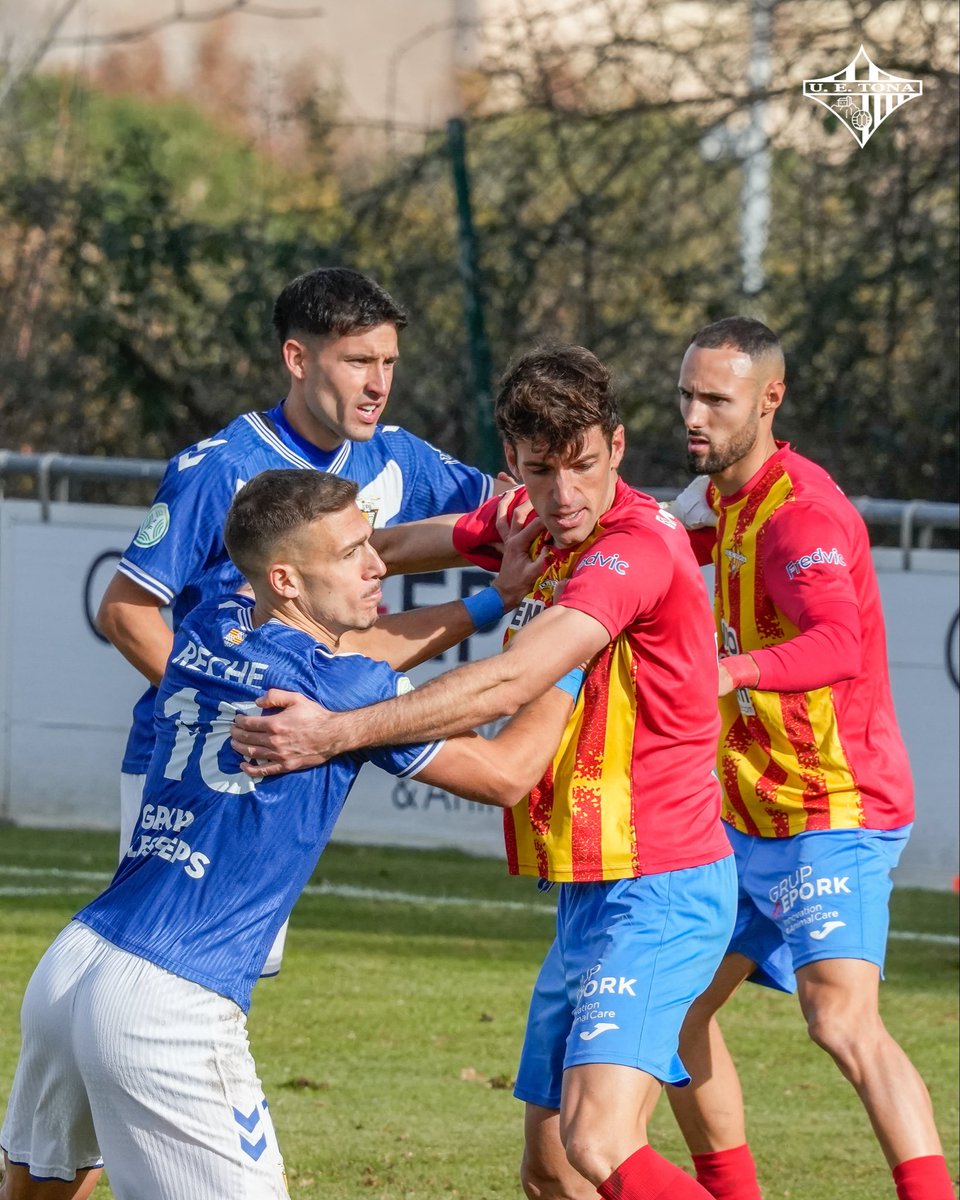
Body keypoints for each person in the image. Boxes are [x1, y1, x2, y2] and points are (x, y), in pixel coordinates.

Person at [232, 346, 739, 1200]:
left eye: (583, 466)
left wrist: (337, 731)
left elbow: (512, 679)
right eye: (541, 471)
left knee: (599, 1140)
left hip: (663, 883)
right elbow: (371, 549)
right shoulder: (528, 520)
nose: (565, 494)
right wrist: (259, 589)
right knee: (549, 1170)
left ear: (616, 447)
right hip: (591, 886)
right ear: (513, 462)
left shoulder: (634, 550)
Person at [0, 469, 576, 1200]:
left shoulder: (210, 622)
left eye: (372, 544)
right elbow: (505, 773)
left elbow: (354, 658)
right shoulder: (340, 689)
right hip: (171, 996)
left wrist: (493, 600)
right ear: (286, 579)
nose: (378, 565)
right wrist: (574, 652)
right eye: (352, 553)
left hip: (74, 965)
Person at [97, 265, 507, 976]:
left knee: (220, 974)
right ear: (297, 358)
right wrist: (225, 705)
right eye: (357, 362)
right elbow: (127, 612)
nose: (378, 384)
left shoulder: (396, 457)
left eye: (388, 363)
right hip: (188, 764)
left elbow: (506, 506)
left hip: (289, 750)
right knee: (167, 969)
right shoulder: (220, 470)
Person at [660, 317, 953, 1200]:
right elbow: (651, 539)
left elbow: (840, 644)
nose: (696, 416)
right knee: (672, 1014)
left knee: (841, 1020)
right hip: (745, 813)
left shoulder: (801, 516)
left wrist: (731, 670)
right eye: (687, 395)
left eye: (717, 399)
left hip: (834, 807)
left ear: (769, 401)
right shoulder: (719, 499)